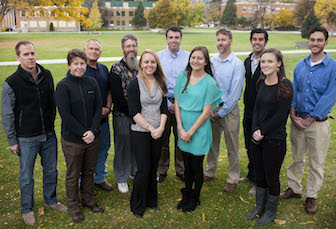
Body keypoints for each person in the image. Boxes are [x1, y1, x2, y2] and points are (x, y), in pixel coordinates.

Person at [1, 40, 67, 226]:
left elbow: (51, 104)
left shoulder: (47, 75)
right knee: (26, 176)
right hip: (26, 138)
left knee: (51, 170)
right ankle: (27, 209)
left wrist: (51, 125)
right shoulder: (12, 82)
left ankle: (51, 200)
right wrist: (12, 140)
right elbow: (7, 114)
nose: (30, 57)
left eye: (32, 53)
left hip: (48, 135)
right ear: (18, 57)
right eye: (26, 54)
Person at [280, 26, 336, 214]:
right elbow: (294, 91)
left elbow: (330, 95)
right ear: (308, 41)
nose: (315, 43)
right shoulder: (300, 65)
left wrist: (310, 119)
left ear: (325, 43)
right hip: (297, 121)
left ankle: (311, 195)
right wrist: (293, 114)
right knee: (296, 158)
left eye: (319, 40)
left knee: (316, 161)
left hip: (317, 124)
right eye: (312, 39)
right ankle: (294, 188)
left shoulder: (333, 67)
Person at [55, 49, 103, 223]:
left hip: (92, 137)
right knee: (73, 174)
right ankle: (74, 206)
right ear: (69, 65)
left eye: (82, 63)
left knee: (89, 171)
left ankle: (89, 199)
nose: (79, 67)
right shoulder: (63, 86)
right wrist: (83, 133)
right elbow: (65, 114)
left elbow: (99, 108)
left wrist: (93, 131)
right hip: (73, 140)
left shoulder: (91, 83)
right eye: (75, 63)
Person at [245, 48, 292, 226]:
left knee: (271, 176)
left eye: (270, 61)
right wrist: (255, 132)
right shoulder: (261, 83)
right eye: (263, 61)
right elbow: (256, 110)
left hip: (274, 139)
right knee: (259, 174)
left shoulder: (285, 85)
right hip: (257, 138)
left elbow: (281, 115)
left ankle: (270, 212)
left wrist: (262, 131)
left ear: (278, 63)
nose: (265, 65)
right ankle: (259, 207)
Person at [175, 46, 223, 212]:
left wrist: (190, 132)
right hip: (183, 125)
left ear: (206, 61)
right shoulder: (182, 77)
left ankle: (195, 197)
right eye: (193, 57)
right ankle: (187, 193)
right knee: (186, 164)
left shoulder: (209, 82)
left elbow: (206, 113)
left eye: (200, 58)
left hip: (199, 128)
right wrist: (181, 128)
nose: (195, 61)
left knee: (196, 166)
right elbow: (177, 103)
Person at [127, 50, 168, 218]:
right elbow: (134, 112)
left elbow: (164, 108)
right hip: (141, 132)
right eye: (146, 62)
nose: (149, 65)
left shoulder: (160, 81)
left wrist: (161, 128)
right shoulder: (134, 84)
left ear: (156, 64)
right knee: (143, 169)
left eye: (153, 62)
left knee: (153, 168)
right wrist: (151, 129)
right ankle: (138, 205)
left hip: (158, 132)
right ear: (141, 64)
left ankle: (152, 200)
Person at [204, 28, 245, 193]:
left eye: (224, 40)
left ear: (230, 41)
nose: (221, 43)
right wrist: (211, 110)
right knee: (212, 144)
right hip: (212, 109)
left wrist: (220, 112)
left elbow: (234, 93)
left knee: (232, 146)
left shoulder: (237, 64)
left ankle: (233, 177)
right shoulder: (212, 62)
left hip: (229, 111)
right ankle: (210, 171)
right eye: (218, 40)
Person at [156, 26, 190, 182]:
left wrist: (177, 102)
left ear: (181, 39)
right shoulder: (158, 57)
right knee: (162, 139)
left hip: (182, 105)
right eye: (171, 37)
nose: (174, 40)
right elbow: (154, 81)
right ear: (166, 39)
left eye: (177, 37)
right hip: (162, 103)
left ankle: (181, 169)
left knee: (180, 139)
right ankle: (161, 169)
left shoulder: (189, 58)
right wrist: (166, 101)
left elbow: (191, 82)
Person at [241, 28, 269, 196]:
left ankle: (260, 181)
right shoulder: (247, 61)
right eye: (254, 39)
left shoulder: (268, 61)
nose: (257, 42)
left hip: (263, 113)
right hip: (248, 110)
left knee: (260, 147)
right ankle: (251, 174)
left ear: (265, 42)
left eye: (260, 39)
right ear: (251, 41)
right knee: (249, 144)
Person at [110, 34, 138, 193]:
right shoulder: (116, 68)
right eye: (128, 46)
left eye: (133, 46)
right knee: (123, 146)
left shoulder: (141, 66)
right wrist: (135, 113)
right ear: (123, 49)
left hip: (140, 116)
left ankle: (134, 171)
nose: (131, 49)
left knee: (137, 145)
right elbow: (117, 97)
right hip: (122, 115)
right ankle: (121, 177)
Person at [84, 39, 113, 191]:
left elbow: (109, 90)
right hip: (86, 122)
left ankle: (100, 178)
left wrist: (108, 107)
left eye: (97, 49)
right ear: (85, 50)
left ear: (100, 53)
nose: (94, 51)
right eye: (91, 48)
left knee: (103, 148)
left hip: (103, 120)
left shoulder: (103, 69)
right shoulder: (80, 69)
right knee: (86, 153)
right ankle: (84, 183)